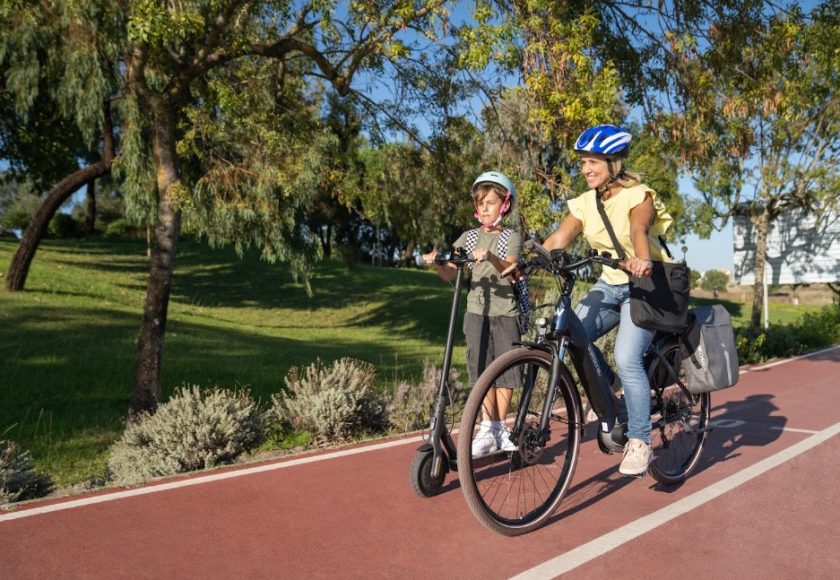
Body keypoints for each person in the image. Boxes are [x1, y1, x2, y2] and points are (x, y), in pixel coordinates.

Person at [541, 124, 675, 475]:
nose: (585, 169)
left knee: (626, 356)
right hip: (610, 283)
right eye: (583, 163)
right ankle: (611, 389)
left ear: (614, 162)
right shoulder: (585, 202)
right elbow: (560, 236)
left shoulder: (639, 195)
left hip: (645, 284)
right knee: (573, 334)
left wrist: (642, 259)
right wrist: (527, 260)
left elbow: (638, 230)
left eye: (593, 162)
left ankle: (640, 440)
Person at [422, 171, 523, 457]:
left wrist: (489, 256)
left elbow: (511, 266)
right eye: (480, 203)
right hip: (477, 312)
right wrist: (437, 262)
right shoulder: (468, 237)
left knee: (506, 371)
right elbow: (450, 273)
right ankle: (486, 428)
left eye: (490, 202)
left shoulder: (509, 237)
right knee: (481, 370)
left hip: (505, 312)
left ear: (505, 205)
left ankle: (501, 429)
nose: (484, 208)